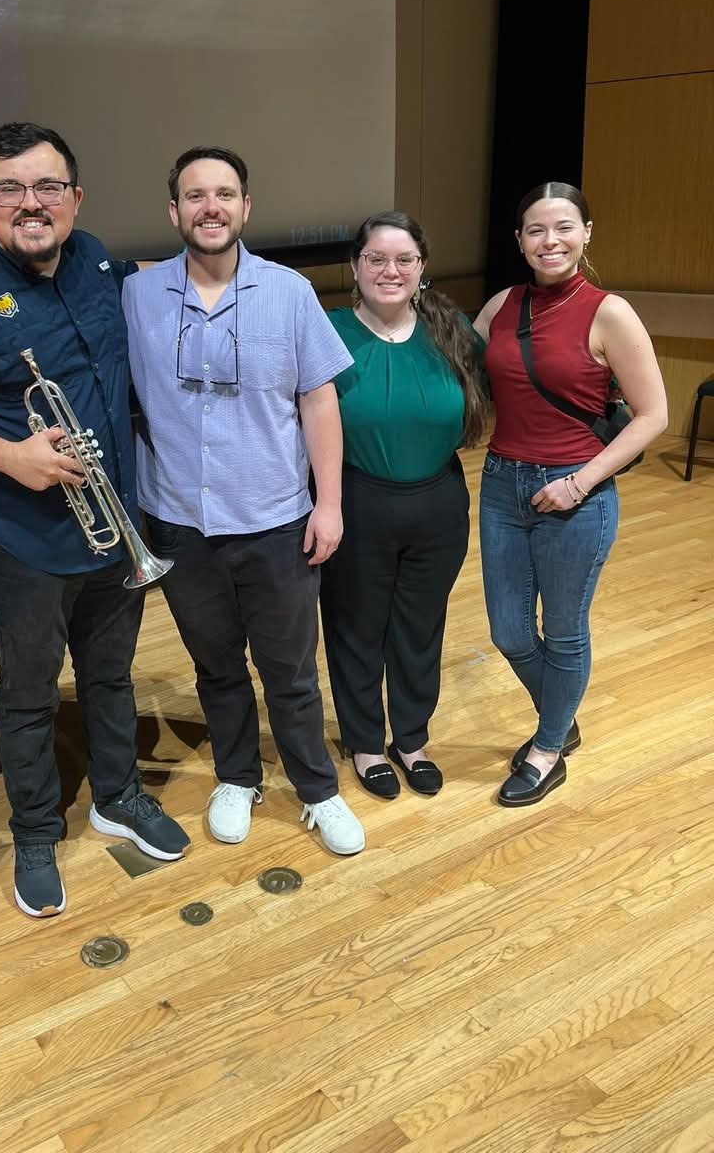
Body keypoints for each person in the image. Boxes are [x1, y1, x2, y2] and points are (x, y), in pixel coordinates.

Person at [0, 121, 189, 919]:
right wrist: (10, 456)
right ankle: (35, 829)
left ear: (74, 197)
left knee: (109, 672)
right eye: (12, 188)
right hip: (27, 534)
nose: (32, 204)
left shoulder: (98, 259)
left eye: (48, 188)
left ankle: (119, 796)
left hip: (116, 525)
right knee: (29, 694)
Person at [122, 145, 365, 855]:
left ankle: (317, 790)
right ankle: (238, 775)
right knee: (217, 664)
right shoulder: (137, 297)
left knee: (290, 671)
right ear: (174, 211)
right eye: (195, 196)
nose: (211, 207)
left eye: (224, 194)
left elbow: (319, 401)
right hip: (179, 525)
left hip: (275, 520)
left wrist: (331, 504)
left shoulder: (289, 291)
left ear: (246, 208)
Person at [474, 181, 667, 806]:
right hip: (503, 483)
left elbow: (652, 415)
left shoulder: (610, 312)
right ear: (520, 241)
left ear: (586, 234)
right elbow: (456, 374)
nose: (549, 240)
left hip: (577, 492)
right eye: (536, 229)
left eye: (563, 227)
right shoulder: (501, 304)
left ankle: (549, 746)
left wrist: (580, 482)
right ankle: (561, 712)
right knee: (508, 632)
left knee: (562, 631)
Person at [319, 212, 488, 800]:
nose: (390, 271)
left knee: (420, 627)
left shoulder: (452, 330)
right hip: (357, 498)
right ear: (355, 267)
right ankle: (365, 742)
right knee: (356, 627)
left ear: (422, 268)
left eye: (403, 260)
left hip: (439, 502)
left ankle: (410, 739)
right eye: (376, 259)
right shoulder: (327, 331)